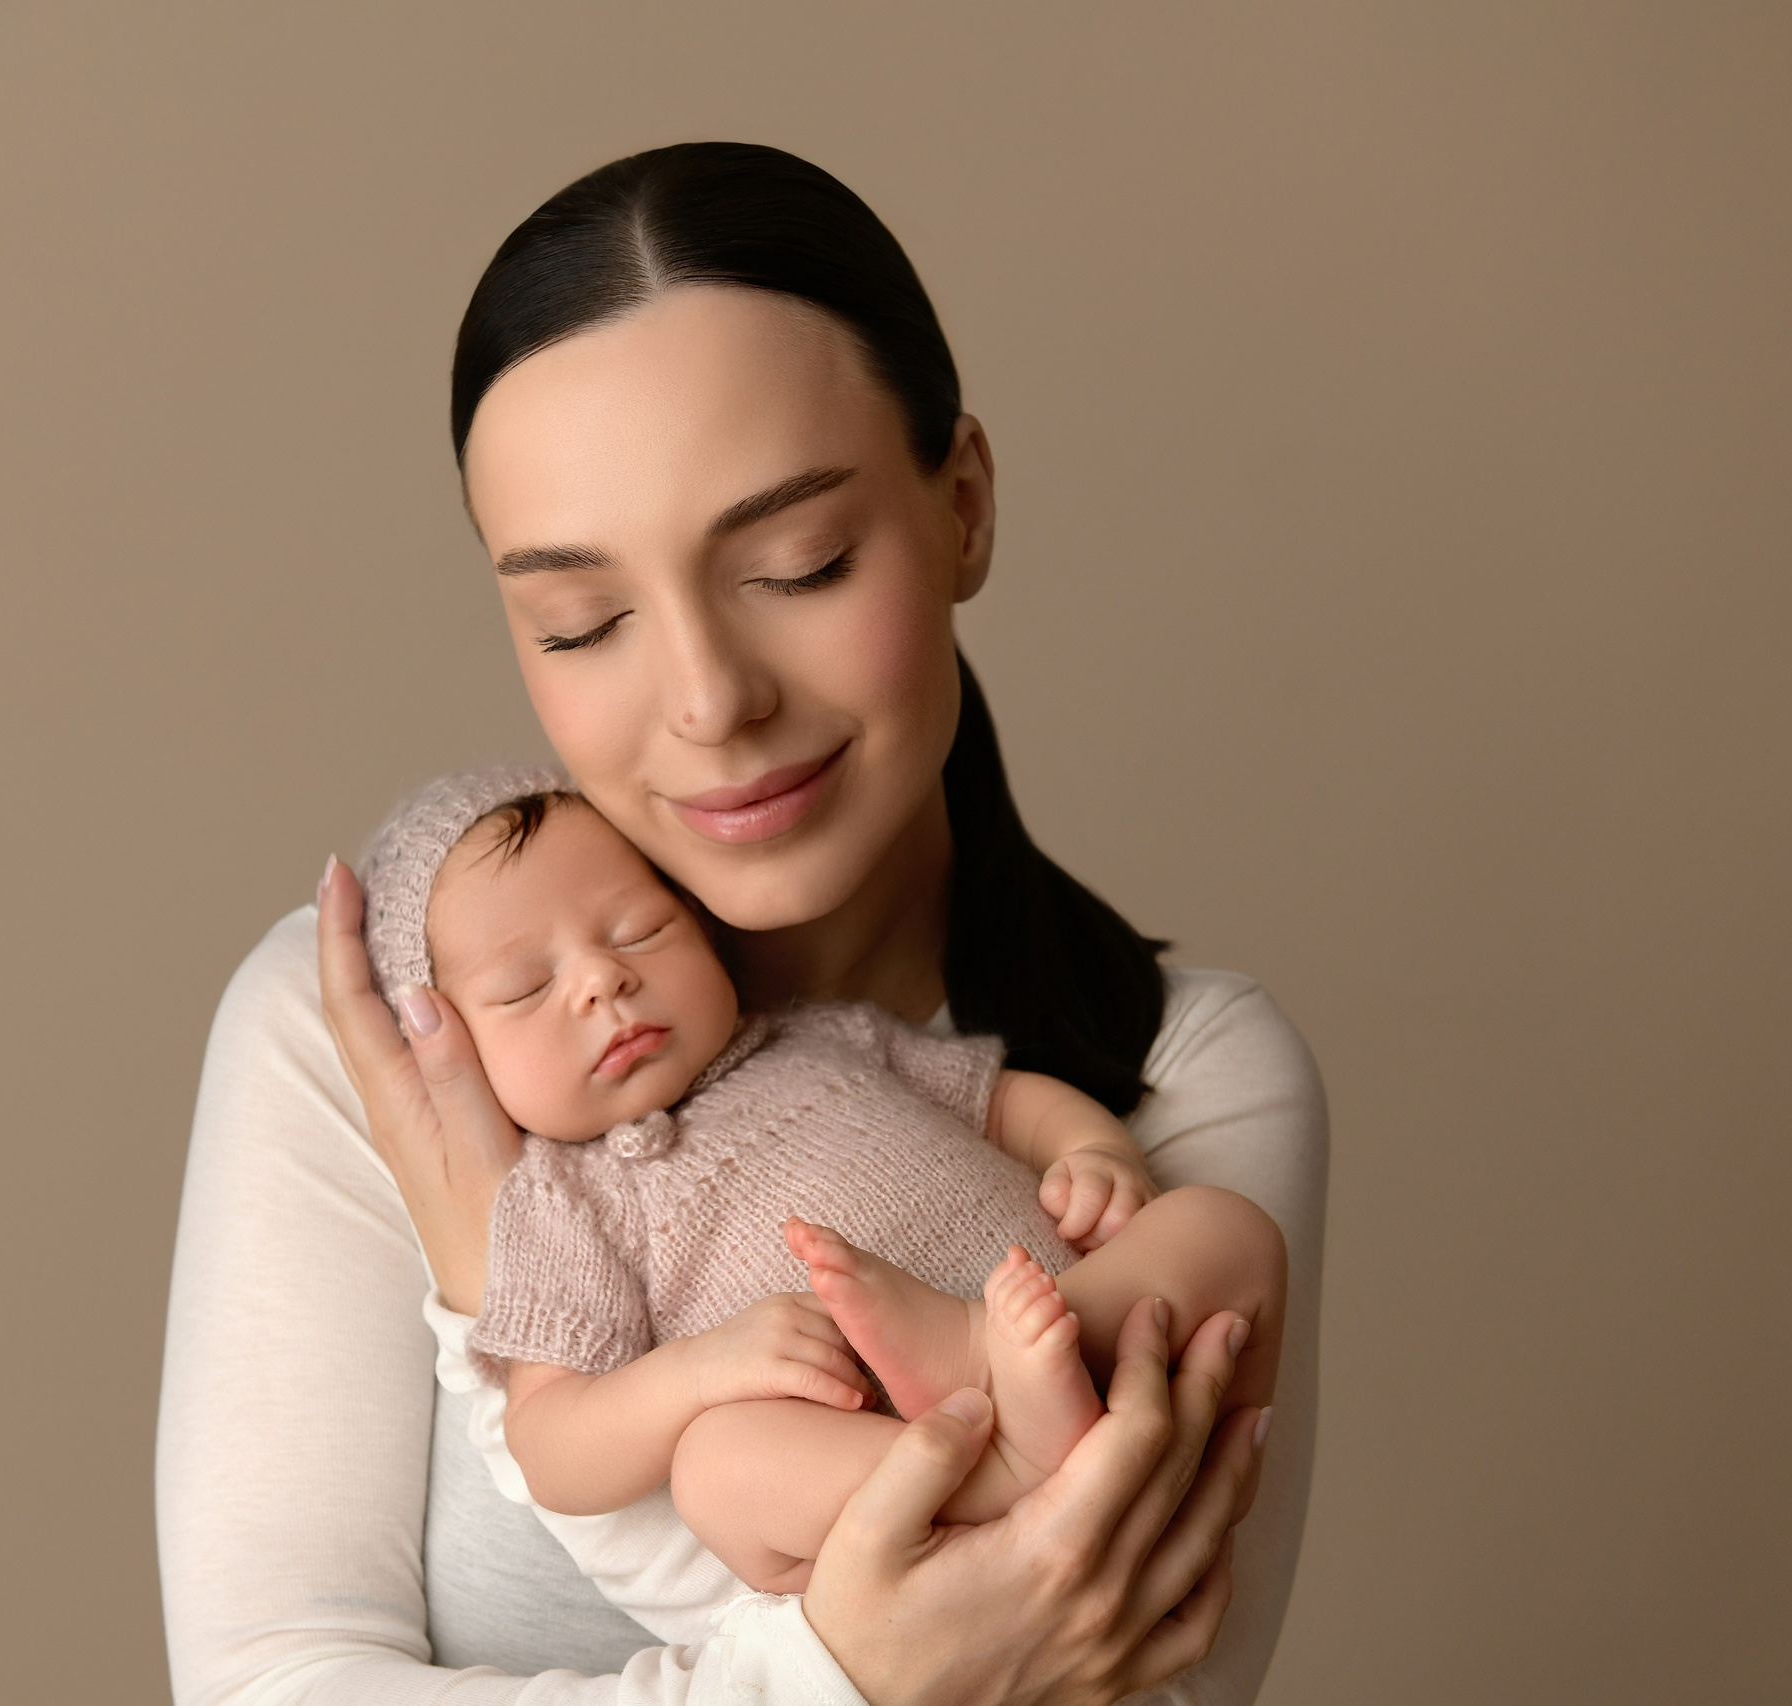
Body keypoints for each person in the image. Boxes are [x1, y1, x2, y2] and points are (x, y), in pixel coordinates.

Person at [156, 141, 1328, 1705]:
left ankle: (989, 1372)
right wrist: (854, 1669)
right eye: (582, 622)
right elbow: (266, 1687)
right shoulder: (385, 1038)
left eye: (799, 563)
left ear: (962, 505)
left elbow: (1135, 1678)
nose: (709, 698)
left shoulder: (1185, 1074)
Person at [351, 766, 1287, 1610]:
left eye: (640, 930)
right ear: (454, 1052)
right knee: (718, 1471)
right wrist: (700, 1372)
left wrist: (1092, 1149)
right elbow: (550, 1441)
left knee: (1220, 1227)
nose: (603, 979)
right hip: (879, 1456)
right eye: (523, 988)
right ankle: (1002, 1473)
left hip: (1065, 1326)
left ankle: (994, 1366)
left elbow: (1003, 1103)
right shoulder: (563, 1201)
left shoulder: (823, 1036)